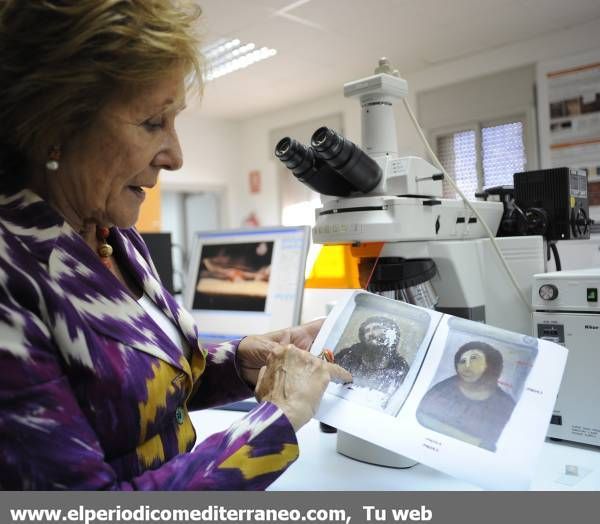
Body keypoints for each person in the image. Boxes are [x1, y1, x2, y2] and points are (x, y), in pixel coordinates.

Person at [0, 0, 350, 490]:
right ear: (56, 124)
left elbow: (135, 393)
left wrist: (241, 363)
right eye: (152, 123)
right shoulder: (12, 278)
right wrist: (275, 421)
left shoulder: (115, 238)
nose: (176, 156)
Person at [416, 341, 516, 451]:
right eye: (462, 361)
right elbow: (422, 416)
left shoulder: (505, 405)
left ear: (490, 364)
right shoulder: (442, 391)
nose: (467, 366)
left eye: (474, 359)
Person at [335, 316, 409, 397]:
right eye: (367, 331)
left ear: (388, 332)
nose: (371, 333)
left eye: (376, 328)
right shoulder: (347, 355)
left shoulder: (400, 366)